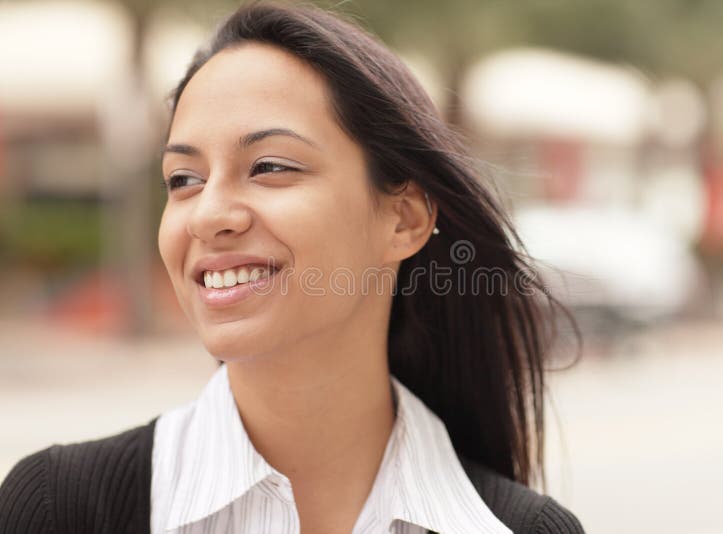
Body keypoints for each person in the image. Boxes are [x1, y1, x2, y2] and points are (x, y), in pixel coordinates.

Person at [0, 3, 584, 533]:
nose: (208, 216)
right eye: (183, 179)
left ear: (402, 220)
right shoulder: (58, 510)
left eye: (271, 166)